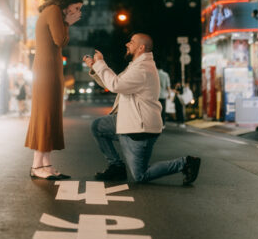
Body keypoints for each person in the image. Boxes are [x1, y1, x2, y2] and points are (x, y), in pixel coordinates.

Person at [83, 33, 201, 185]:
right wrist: (95, 68)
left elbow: (115, 85)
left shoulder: (142, 69)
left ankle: (185, 163)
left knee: (140, 175)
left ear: (141, 47)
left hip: (139, 128)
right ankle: (116, 166)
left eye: (131, 42)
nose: (127, 44)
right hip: (127, 121)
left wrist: (100, 64)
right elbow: (114, 84)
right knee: (98, 126)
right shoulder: (136, 66)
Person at [25, 0, 83, 180]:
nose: (77, 12)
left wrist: (66, 22)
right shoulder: (54, 11)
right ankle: (36, 166)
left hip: (50, 69)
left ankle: (45, 164)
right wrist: (68, 23)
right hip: (47, 70)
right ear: (68, 3)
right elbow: (61, 40)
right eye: (76, 8)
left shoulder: (52, 11)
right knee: (46, 114)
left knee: (49, 114)